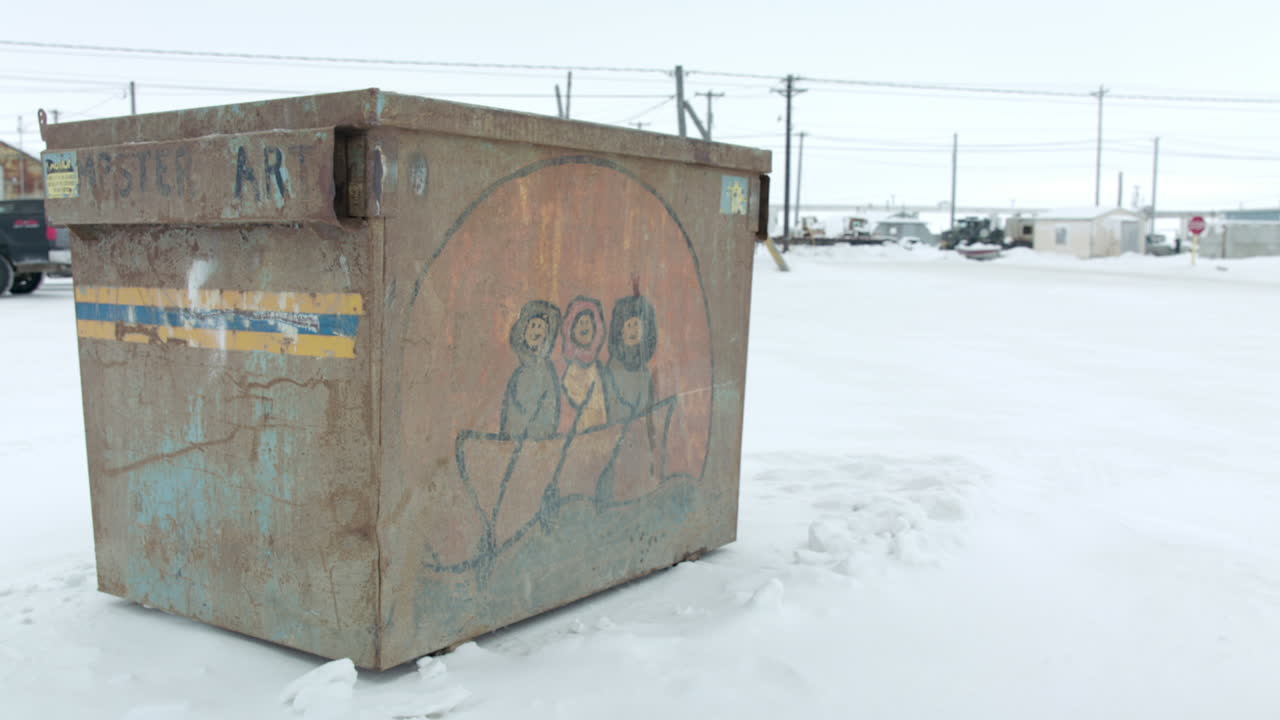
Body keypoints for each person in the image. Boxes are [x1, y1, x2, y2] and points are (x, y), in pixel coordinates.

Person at [500, 300, 561, 440]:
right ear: (523, 331)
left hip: (532, 444)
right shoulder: (522, 370)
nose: (536, 331)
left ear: (547, 335)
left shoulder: (542, 369)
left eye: (540, 327)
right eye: (532, 325)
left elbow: (533, 415)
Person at [602, 294, 658, 422]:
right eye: (629, 325)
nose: (633, 330)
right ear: (620, 331)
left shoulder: (644, 371)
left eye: (636, 324)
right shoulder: (612, 370)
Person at [560, 296, 608, 432]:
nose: (584, 326)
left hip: (601, 430)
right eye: (580, 323)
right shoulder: (573, 369)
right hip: (579, 432)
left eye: (588, 323)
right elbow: (571, 400)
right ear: (571, 331)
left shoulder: (598, 368)